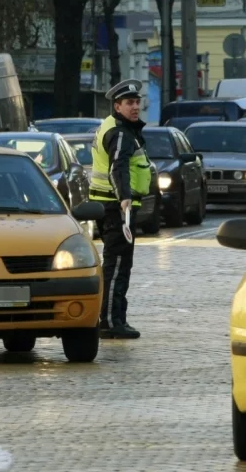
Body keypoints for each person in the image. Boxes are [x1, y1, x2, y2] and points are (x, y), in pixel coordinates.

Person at [88, 79, 152, 340]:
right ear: (117, 106)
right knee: (117, 265)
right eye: (129, 103)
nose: (135, 107)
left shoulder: (113, 125)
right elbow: (118, 168)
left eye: (137, 102)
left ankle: (113, 318)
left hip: (109, 205)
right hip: (116, 208)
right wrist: (124, 198)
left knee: (117, 263)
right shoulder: (121, 133)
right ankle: (111, 321)